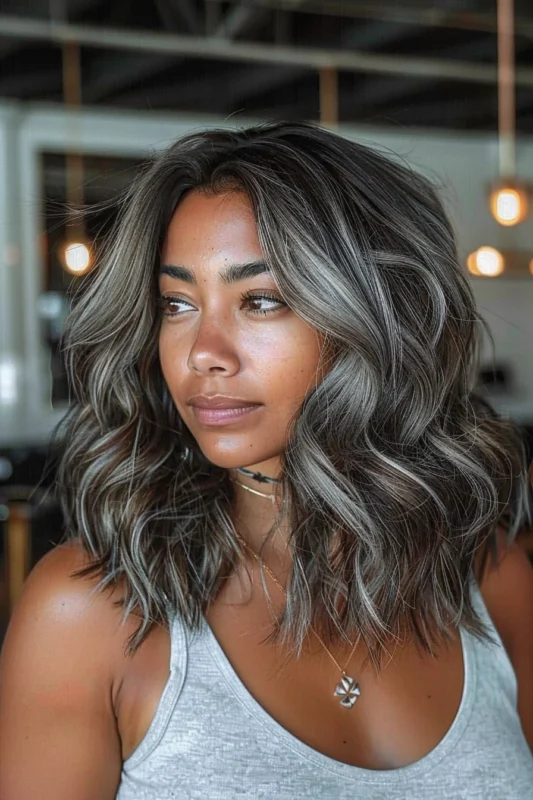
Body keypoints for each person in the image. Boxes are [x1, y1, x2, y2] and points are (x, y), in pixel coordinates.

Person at [1, 120, 532, 799]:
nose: (202, 352)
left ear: (377, 319)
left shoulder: (489, 581)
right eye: (177, 303)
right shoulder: (90, 615)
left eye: (259, 300)